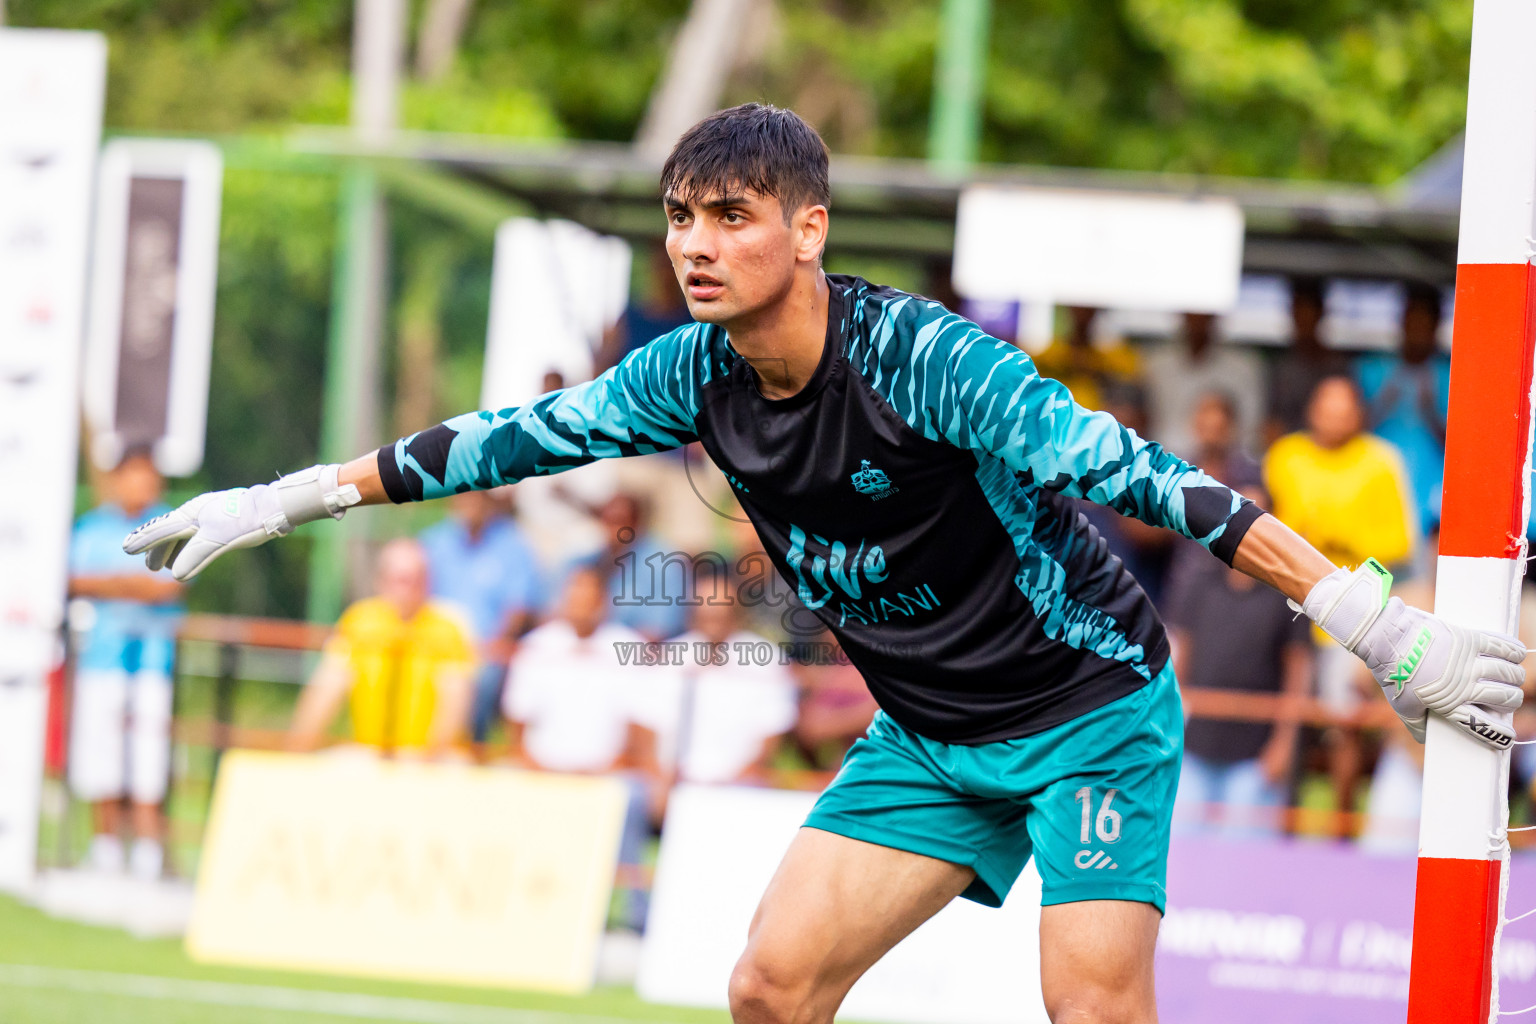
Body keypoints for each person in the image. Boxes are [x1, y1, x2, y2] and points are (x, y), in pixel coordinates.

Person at [127, 104, 1525, 1024]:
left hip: (1087, 715)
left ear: (809, 230)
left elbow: (1148, 479)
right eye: (681, 218)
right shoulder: (682, 374)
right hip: (926, 738)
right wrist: (284, 498)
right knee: (768, 988)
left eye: (730, 215)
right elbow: (502, 441)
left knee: (1090, 1012)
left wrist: (1366, 618)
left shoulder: (928, 360)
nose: (695, 244)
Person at [1264, 375, 1417, 833]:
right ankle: (1279, 827)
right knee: (1277, 716)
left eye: (1344, 408)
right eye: (1326, 407)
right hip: (1280, 606)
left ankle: (1340, 832)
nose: (1334, 417)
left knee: (1343, 727)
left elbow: (1399, 549)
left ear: (1359, 415)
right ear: (1312, 410)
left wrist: (1335, 537)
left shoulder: (1380, 462)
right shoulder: (1285, 456)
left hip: (1344, 617)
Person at [1167, 485, 1314, 838]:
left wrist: (1282, 746)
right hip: (1196, 748)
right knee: (1182, 858)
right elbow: (1178, 662)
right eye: (1236, 516)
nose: (1243, 528)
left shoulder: (1288, 595)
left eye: (1254, 518)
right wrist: (1170, 733)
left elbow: (1298, 674)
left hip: (1254, 758)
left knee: (1246, 864)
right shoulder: (1198, 582)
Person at [67, 449, 184, 879]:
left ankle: (149, 848)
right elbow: (74, 579)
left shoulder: (174, 522)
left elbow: (170, 586)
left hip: (153, 660)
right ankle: (106, 844)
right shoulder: (93, 527)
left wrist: (112, 585)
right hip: (102, 657)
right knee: (102, 751)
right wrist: (131, 585)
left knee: (149, 753)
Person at [288, 538, 473, 758]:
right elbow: (326, 689)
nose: (412, 587)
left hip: (432, 759)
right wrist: (296, 752)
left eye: (419, 578)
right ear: (381, 581)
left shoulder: (449, 627)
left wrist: (425, 759)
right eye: (403, 579)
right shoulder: (359, 622)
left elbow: (454, 705)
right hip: (371, 754)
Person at [631, 576, 799, 788]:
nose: (713, 614)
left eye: (721, 608)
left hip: (739, 788)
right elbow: (645, 722)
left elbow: (773, 733)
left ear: (737, 612)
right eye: (705, 607)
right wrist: (658, 779)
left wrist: (733, 786)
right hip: (672, 785)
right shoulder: (668, 658)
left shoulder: (767, 661)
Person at [418, 488, 542, 744]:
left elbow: (518, 609)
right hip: (431, 643)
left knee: (482, 677)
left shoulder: (514, 547)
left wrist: (491, 646)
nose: (470, 502)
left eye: (477, 495)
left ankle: (471, 745)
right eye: (464, 494)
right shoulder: (433, 541)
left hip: (484, 648)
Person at [1356, 283, 1452, 535]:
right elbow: (1353, 430)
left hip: (1431, 491)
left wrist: (1431, 411)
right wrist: (1385, 400)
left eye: (1425, 324)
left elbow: (1461, 446)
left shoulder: (1451, 374)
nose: (1417, 332)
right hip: (1374, 486)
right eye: (1412, 323)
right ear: (1402, 323)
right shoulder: (1372, 368)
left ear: (1435, 327)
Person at [1143, 311, 1267, 458]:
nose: (1197, 319)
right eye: (1192, 312)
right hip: (1162, 464)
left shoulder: (1243, 367)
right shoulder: (1156, 364)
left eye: (1202, 312)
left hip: (1225, 467)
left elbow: (1251, 431)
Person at [1264, 277, 1350, 446]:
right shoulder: (1282, 367)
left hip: (1335, 454)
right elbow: (1272, 423)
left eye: (1308, 311)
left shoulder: (1338, 366)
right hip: (1290, 458)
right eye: (1299, 311)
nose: (1304, 319)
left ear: (1321, 313)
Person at [1029, 306, 1141, 413]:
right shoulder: (1049, 355)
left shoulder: (1113, 355)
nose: (1082, 314)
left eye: (1087, 309)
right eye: (1078, 308)